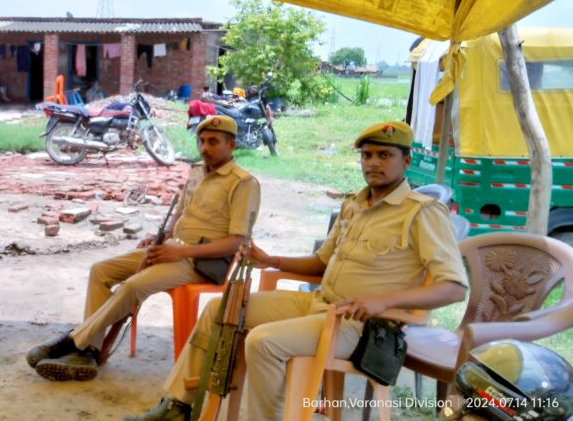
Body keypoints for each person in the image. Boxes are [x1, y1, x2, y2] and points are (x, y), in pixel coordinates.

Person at [123, 121, 469, 421]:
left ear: (405, 161)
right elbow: (320, 263)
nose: (373, 163)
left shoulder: (422, 212)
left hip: (361, 325)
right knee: (220, 308)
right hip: (319, 304)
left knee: (262, 341)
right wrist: (271, 261)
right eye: (367, 155)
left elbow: (453, 287)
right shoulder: (354, 205)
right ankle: (178, 406)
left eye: (384, 155)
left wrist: (383, 302)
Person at [27, 116, 261, 382]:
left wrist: (181, 252)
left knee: (132, 286)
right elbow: (181, 213)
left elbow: (238, 242)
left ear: (231, 145)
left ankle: (72, 343)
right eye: (202, 141)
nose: (205, 148)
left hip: (200, 264)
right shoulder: (197, 171)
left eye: (213, 142)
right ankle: (89, 352)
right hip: (171, 248)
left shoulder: (243, 183)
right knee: (100, 270)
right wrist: (162, 237)